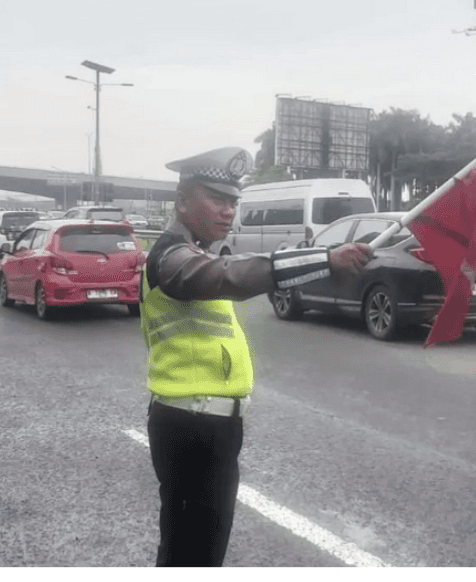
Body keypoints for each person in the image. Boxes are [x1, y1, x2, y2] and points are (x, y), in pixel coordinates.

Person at [140, 146, 372, 567]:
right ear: (182, 201)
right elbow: (227, 276)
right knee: (191, 555)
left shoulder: (193, 249)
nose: (228, 212)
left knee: (194, 552)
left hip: (207, 424)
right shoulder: (169, 255)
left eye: (233, 201)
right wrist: (321, 258)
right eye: (217, 199)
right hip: (190, 426)